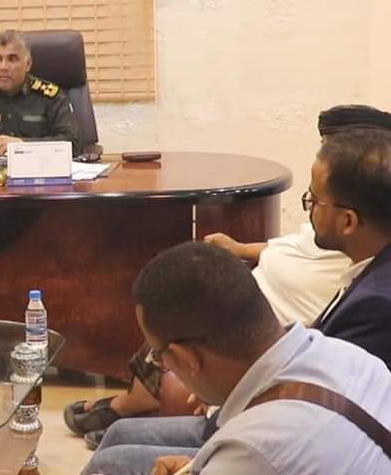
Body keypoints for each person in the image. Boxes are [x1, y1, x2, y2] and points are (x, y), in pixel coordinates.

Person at [66, 104, 391, 444]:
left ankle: (132, 407)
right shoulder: (364, 264)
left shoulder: (376, 305)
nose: (308, 207)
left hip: (279, 436)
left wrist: (236, 392)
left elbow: (325, 403)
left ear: (348, 221)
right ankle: (131, 407)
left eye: (314, 201)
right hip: (270, 389)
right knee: (177, 296)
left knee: (119, 454)